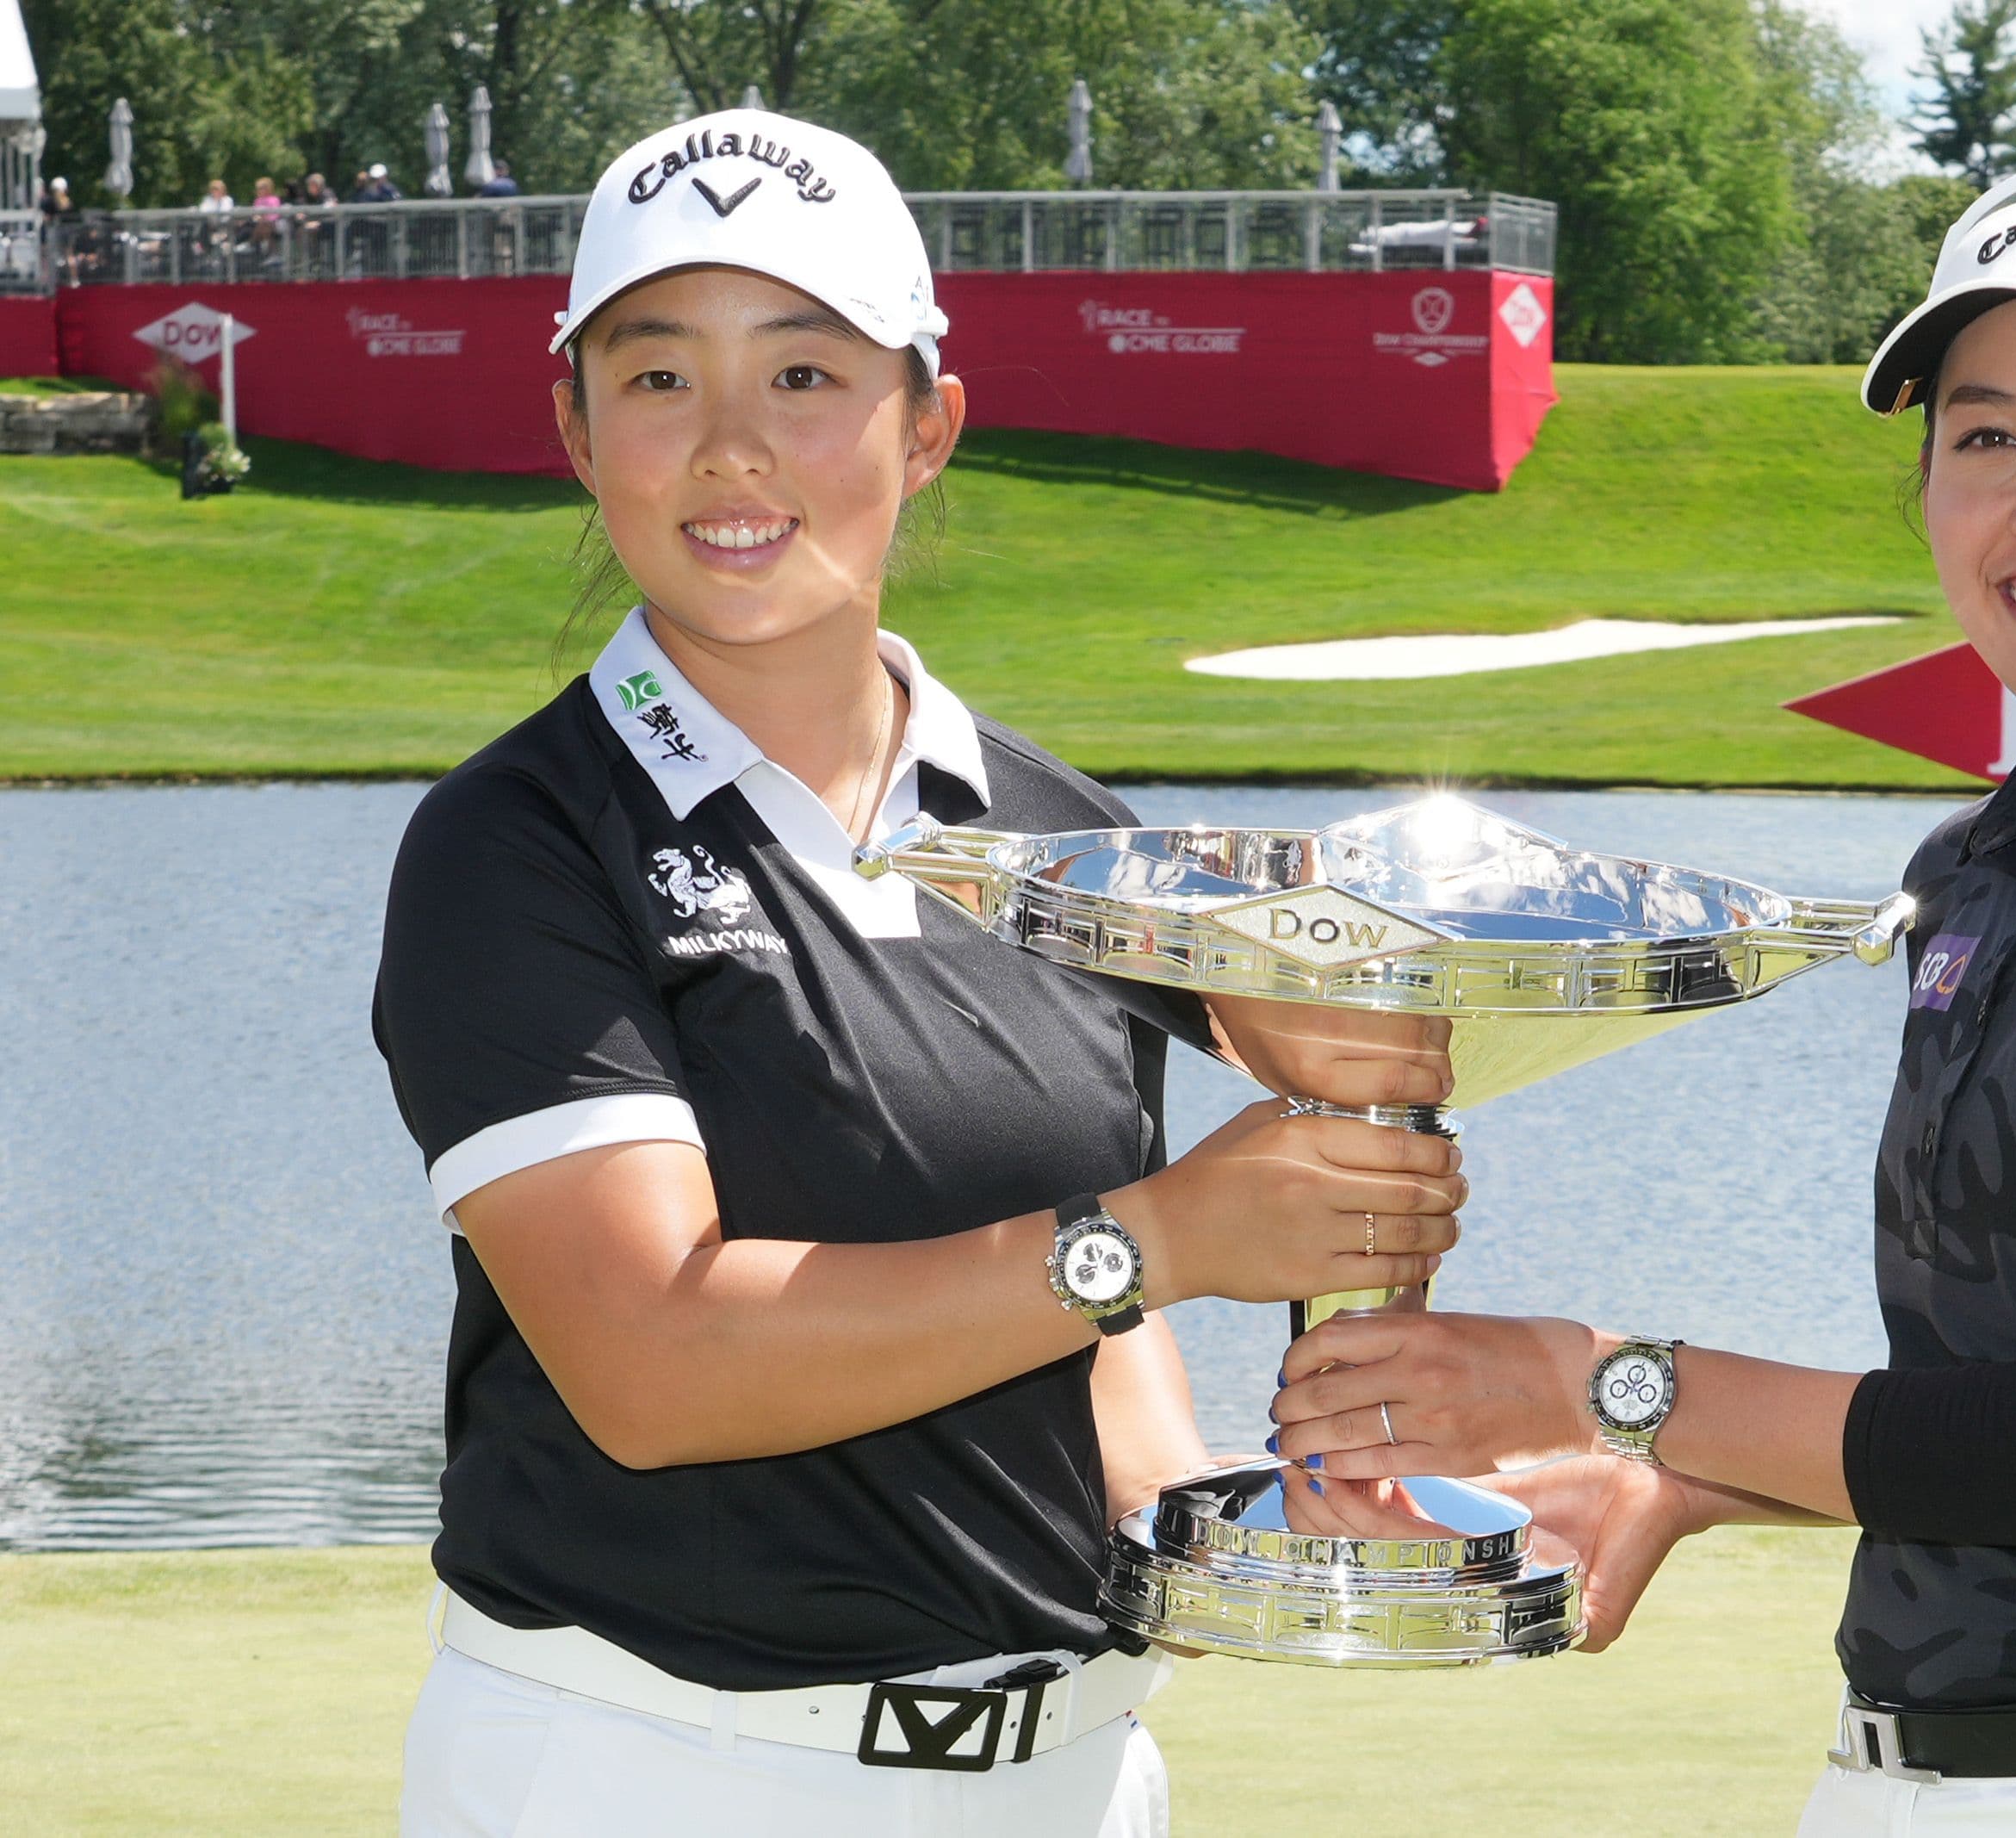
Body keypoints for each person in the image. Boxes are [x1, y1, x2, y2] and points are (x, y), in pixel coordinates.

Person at [1268, 152, 2016, 1836]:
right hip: (1896, 1780)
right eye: (1985, 437)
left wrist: (1599, 1378)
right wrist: (1678, 1476)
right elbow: (1990, 1391)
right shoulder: (1980, 866)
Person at [374, 106, 1467, 1835]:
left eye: (804, 375)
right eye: (658, 378)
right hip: (654, 1772)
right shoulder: (516, 841)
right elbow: (653, 1361)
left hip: (1074, 1770)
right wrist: (1164, 1235)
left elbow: (1091, 1333)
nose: (732, 447)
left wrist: (1239, 1518)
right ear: (577, 430)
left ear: (929, 423)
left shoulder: (1063, 836)